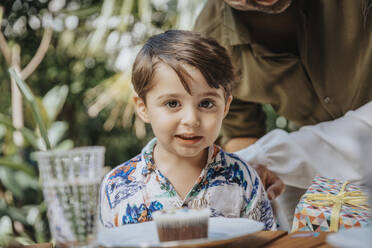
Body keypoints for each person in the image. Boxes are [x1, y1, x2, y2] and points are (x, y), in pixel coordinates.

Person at [194, 0, 372, 224]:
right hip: (333, 188)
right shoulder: (211, 44)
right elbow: (241, 133)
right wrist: (255, 174)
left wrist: (270, 157)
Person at [99, 30, 276, 230]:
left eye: (207, 104)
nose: (191, 120)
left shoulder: (244, 179)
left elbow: (266, 241)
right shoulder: (116, 185)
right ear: (143, 108)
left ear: (225, 107)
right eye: (173, 103)